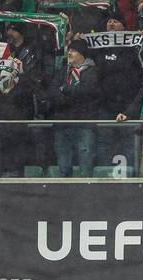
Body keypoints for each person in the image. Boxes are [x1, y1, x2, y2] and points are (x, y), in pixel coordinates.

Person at [49, 39, 102, 177]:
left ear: (82, 54)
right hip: (62, 124)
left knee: (85, 168)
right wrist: (67, 94)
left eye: (73, 50)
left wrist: (64, 91)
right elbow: (53, 91)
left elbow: (85, 93)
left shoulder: (93, 72)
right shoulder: (62, 71)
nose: (69, 53)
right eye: (69, 50)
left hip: (84, 124)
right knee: (63, 168)